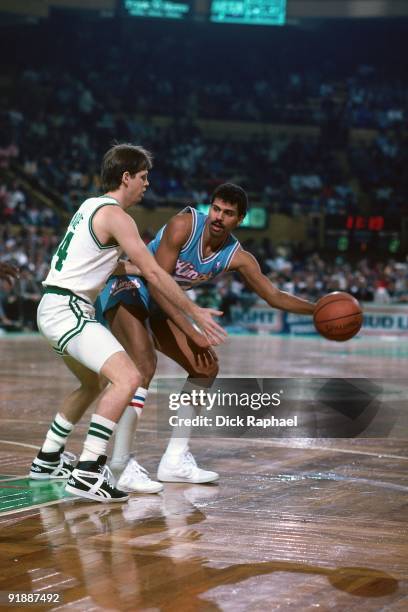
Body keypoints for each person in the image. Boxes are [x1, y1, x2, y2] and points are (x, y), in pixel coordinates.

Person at [29, 144, 226, 503]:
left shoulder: (89, 206)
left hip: (55, 306)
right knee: (130, 377)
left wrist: (134, 268)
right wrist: (193, 312)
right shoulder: (118, 215)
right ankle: (88, 470)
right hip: (68, 309)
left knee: (94, 383)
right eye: (143, 177)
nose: (146, 185)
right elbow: (153, 271)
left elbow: (110, 264)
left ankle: (47, 457)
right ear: (126, 177)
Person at [96, 183, 316, 493]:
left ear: (239, 220)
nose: (218, 217)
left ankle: (173, 461)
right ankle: (118, 464)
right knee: (143, 366)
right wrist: (191, 330)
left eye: (228, 213)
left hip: (164, 305)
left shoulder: (237, 256)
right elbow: (157, 284)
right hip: (130, 288)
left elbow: (275, 296)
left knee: (205, 369)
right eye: (216, 209)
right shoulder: (183, 225)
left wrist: (318, 311)